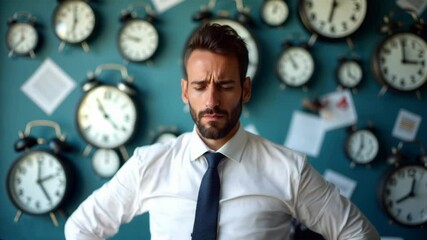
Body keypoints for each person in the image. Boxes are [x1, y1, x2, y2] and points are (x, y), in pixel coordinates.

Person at [65, 23, 380, 240]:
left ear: (245, 90)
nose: (212, 100)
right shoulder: (149, 164)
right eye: (200, 86)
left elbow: (359, 234)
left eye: (225, 86)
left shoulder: (289, 170)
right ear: (185, 91)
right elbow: (80, 228)